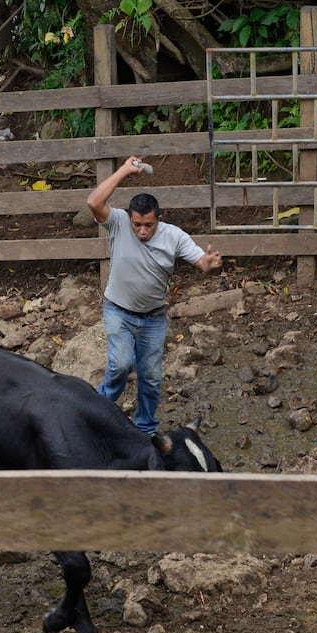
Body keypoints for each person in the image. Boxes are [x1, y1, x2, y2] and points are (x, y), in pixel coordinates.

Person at [86, 156, 223, 434]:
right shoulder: (118, 224)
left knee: (151, 377)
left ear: (160, 219)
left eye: (149, 225)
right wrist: (124, 170)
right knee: (120, 364)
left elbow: (200, 262)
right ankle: (96, 414)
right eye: (137, 225)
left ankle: (145, 429)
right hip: (118, 311)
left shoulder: (174, 236)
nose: (142, 231)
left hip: (153, 318)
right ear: (130, 219)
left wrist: (208, 264)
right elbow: (93, 202)